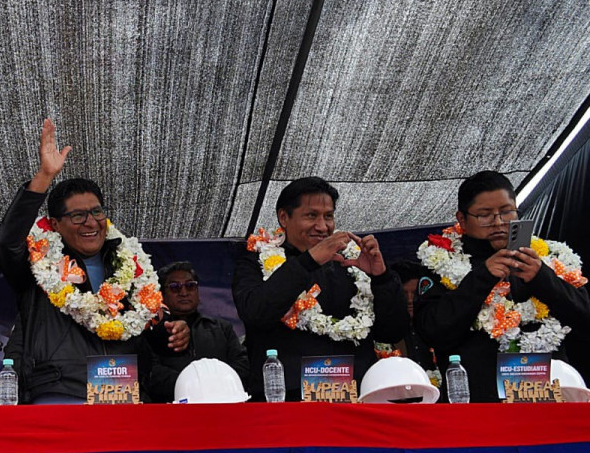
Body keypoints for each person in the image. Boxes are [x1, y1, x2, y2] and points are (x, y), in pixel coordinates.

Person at [0, 119, 185, 403]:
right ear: (55, 224)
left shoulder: (129, 265)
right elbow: (5, 244)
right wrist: (44, 177)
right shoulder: (38, 265)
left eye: (97, 212)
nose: (90, 222)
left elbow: (150, 327)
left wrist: (172, 331)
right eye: (78, 215)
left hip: (124, 397)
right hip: (59, 394)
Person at [414, 171, 590, 402]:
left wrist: (542, 278)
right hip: (478, 404)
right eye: (484, 215)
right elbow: (432, 331)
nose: (498, 223)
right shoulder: (440, 262)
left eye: (507, 212)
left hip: (547, 400)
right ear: (462, 219)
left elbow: (585, 319)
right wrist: (482, 277)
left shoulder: (547, 258)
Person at [232, 177, 409, 401]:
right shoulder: (255, 260)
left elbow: (393, 332)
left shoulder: (351, 263)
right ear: (284, 217)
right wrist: (309, 261)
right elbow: (256, 312)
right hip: (287, 405)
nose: (323, 226)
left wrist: (381, 277)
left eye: (328, 216)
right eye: (311, 215)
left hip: (357, 400)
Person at [146, 261, 248, 383]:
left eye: (190, 286)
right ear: (161, 294)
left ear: (197, 291)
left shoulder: (222, 328)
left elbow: (242, 366)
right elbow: (152, 373)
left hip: (220, 397)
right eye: (174, 287)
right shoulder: (152, 331)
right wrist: (192, 384)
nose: (183, 293)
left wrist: (215, 382)